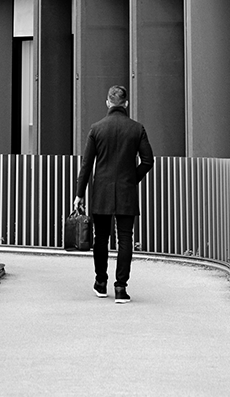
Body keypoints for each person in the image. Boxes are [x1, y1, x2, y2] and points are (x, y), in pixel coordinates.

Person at [73, 84, 154, 304]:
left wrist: (79, 194)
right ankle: (121, 288)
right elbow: (148, 161)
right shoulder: (137, 129)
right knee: (125, 238)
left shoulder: (96, 128)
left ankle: (101, 283)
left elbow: (87, 165)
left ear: (108, 103)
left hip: (102, 191)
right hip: (126, 191)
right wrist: (130, 179)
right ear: (126, 104)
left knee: (101, 237)